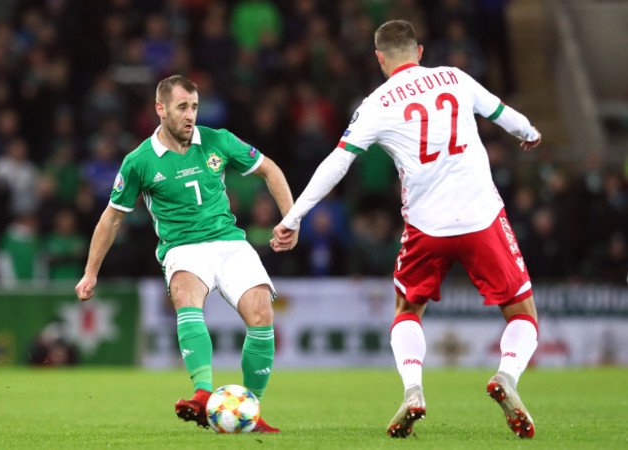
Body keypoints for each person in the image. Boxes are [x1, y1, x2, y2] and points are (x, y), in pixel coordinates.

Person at [271, 20, 541, 439]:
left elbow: (337, 163)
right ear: (420, 50)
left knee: (408, 311)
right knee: (521, 313)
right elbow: (508, 116)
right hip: (481, 218)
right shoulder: (453, 76)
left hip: (425, 227)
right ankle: (506, 377)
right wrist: (531, 133)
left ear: (380, 59)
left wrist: (293, 217)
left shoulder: (376, 103)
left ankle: (413, 391)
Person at [75, 75, 296, 433]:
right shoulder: (140, 161)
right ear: (160, 110)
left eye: (194, 106)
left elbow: (270, 169)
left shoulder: (217, 140)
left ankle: (249, 411)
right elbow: (111, 219)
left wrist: (291, 220)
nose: (190, 115)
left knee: (261, 313)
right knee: (185, 294)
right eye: (182, 107)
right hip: (182, 248)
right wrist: (90, 273)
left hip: (229, 242)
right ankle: (203, 393)